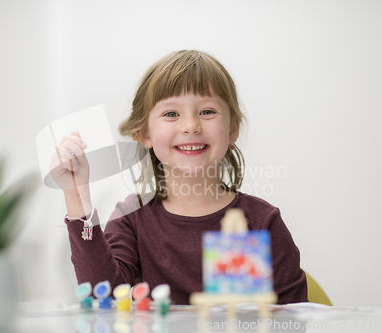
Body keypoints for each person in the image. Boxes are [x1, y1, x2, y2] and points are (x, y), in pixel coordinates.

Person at [50, 50, 308, 305]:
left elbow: (289, 318)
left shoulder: (260, 222)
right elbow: (101, 296)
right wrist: (76, 195)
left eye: (207, 111)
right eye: (171, 114)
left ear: (232, 130)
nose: (191, 126)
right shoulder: (131, 217)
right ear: (144, 135)